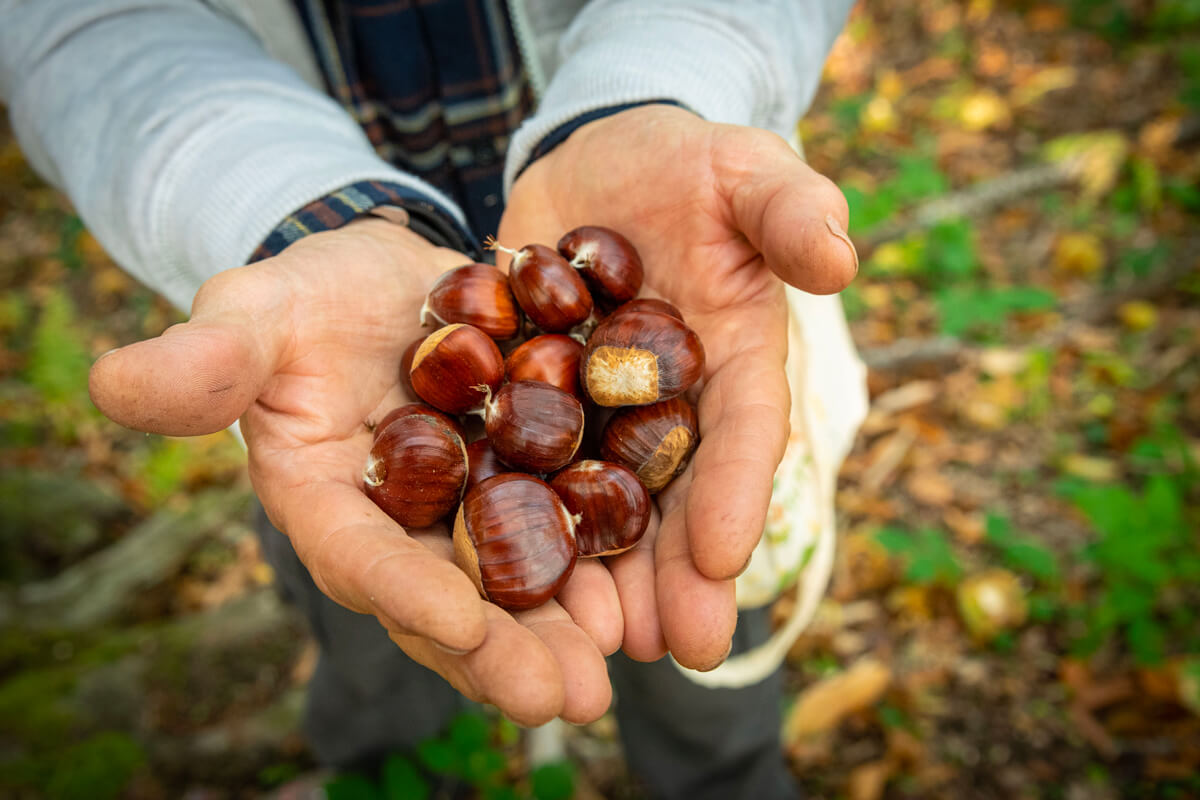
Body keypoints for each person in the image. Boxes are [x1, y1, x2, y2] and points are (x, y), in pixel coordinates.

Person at [0, 1, 861, 797]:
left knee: (705, 673)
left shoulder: (552, 374)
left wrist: (664, 86)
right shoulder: (475, 395)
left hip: (609, 184)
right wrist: (281, 209)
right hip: (319, 386)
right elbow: (77, 29)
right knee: (384, 645)